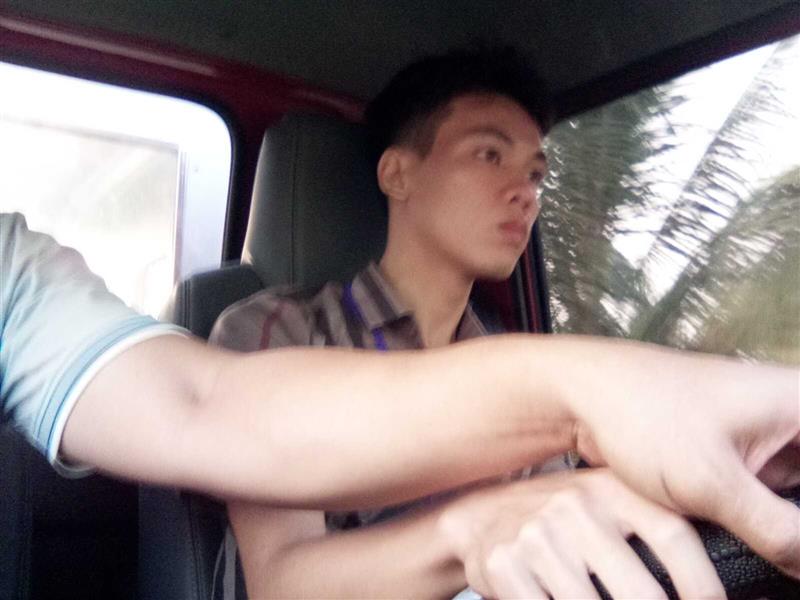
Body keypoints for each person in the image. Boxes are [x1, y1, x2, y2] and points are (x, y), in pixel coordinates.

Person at [210, 47, 800, 598]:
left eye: (536, 174)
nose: (526, 194)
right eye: (489, 155)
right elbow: (282, 581)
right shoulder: (280, 332)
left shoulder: (522, 369)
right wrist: (470, 533)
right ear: (397, 175)